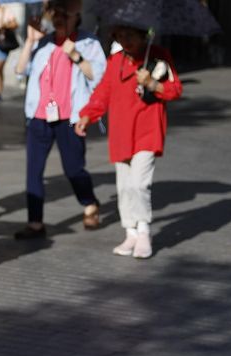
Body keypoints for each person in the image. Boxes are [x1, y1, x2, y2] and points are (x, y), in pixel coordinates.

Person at [76, 21, 183, 259]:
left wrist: (152, 83)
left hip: (147, 130)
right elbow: (103, 93)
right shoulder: (116, 62)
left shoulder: (159, 57)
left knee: (139, 184)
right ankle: (130, 231)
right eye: (121, 35)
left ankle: (144, 230)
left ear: (143, 35)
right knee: (124, 186)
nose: (126, 40)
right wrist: (87, 115)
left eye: (131, 35)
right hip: (121, 132)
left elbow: (175, 90)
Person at [12, 0, 105, 240]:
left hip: (70, 117)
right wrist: (30, 41)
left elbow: (99, 77)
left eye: (65, 12)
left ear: (77, 15)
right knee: (34, 171)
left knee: (73, 169)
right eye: (55, 12)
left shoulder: (88, 43)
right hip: (39, 115)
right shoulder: (43, 42)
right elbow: (20, 70)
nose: (59, 16)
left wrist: (77, 56)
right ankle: (35, 223)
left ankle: (90, 202)